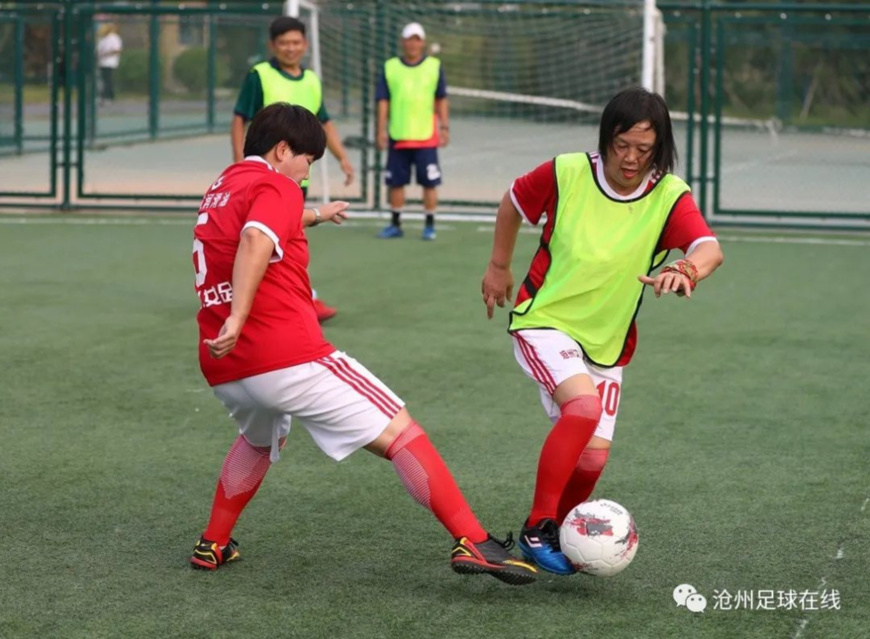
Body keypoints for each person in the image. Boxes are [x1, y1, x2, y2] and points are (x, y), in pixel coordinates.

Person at [189, 103, 537, 586]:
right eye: (307, 161)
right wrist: (240, 315)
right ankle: (474, 540)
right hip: (284, 355)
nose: (306, 173)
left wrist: (312, 214)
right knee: (401, 431)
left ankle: (214, 542)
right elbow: (254, 240)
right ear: (283, 150)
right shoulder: (276, 184)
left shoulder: (223, 186)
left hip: (227, 367)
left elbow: (253, 225)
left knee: (259, 437)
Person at [480, 87, 724, 575]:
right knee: (584, 408)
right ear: (606, 138)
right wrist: (498, 265)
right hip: (543, 319)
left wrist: (687, 271)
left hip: (607, 343)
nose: (631, 158)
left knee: (591, 462)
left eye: (644, 149)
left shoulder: (669, 194)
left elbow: (708, 247)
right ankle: (538, 525)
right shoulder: (566, 171)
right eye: (621, 145)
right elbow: (511, 202)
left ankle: (563, 532)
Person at [231, 16, 352, 322]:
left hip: (296, 176)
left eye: (296, 42)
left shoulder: (312, 80)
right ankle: (287, 297)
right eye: (284, 42)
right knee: (263, 232)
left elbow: (324, 123)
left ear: (305, 45)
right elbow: (238, 120)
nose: (290, 48)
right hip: (263, 177)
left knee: (292, 233)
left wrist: (342, 157)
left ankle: (296, 296)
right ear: (273, 45)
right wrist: (241, 164)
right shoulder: (259, 75)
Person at [375, 22, 448, 241]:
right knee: (396, 182)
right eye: (409, 39)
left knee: (429, 182)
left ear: (422, 42)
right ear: (402, 41)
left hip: (426, 136)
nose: (413, 43)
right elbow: (383, 101)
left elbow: (441, 99)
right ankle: (396, 223)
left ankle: (429, 225)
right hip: (398, 135)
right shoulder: (390, 67)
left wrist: (444, 126)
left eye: (417, 39)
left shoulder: (434, 66)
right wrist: (380, 130)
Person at [96, 23, 122, 104]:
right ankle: (107, 96)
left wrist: (106, 54)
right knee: (103, 79)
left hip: (110, 62)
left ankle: (108, 97)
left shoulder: (114, 37)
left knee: (107, 79)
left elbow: (117, 50)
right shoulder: (102, 38)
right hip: (102, 62)